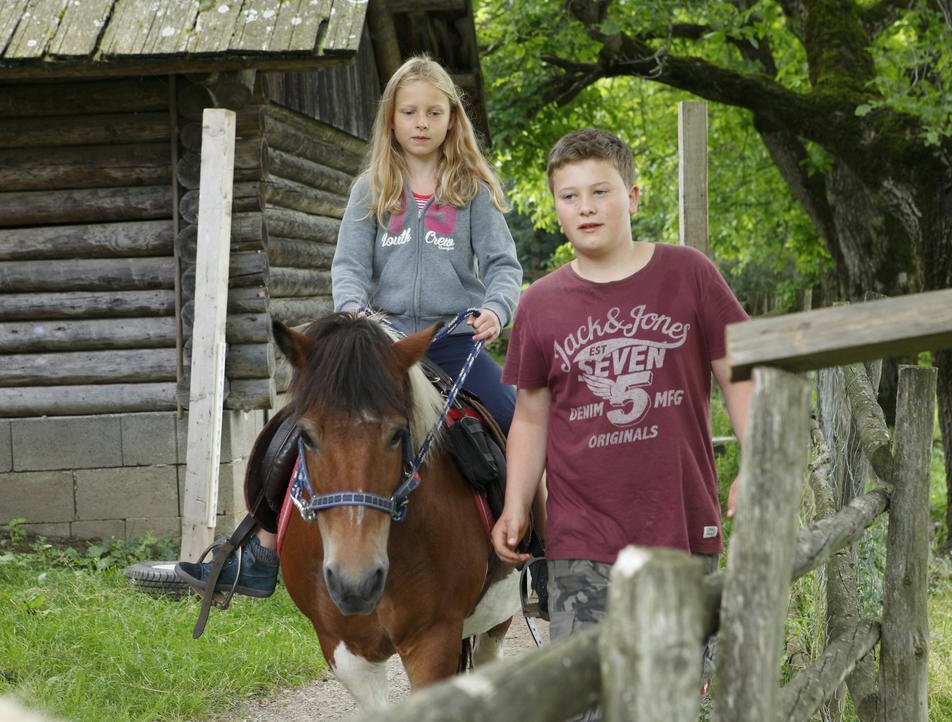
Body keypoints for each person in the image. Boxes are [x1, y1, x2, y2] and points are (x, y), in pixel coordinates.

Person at [178, 55, 533, 602]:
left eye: (433, 112)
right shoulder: (371, 187)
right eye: (409, 111)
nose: (420, 122)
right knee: (295, 428)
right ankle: (260, 551)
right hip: (381, 342)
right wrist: (353, 308)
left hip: (455, 340)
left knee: (518, 419)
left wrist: (497, 308)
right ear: (390, 119)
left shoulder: (473, 190)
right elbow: (348, 265)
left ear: (451, 119)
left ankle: (545, 550)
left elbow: (505, 266)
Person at [491, 128, 752, 708]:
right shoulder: (539, 304)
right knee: (586, 700)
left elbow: (740, 373)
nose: (585, 207)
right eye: (569, 196)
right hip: (582, 540)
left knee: (668, 700)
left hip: (680, 532)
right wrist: (515, 505)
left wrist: (754, 463)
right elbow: (531, 419)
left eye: (600, 192)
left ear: (633, 197)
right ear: (555, 208)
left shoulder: (689, 275)